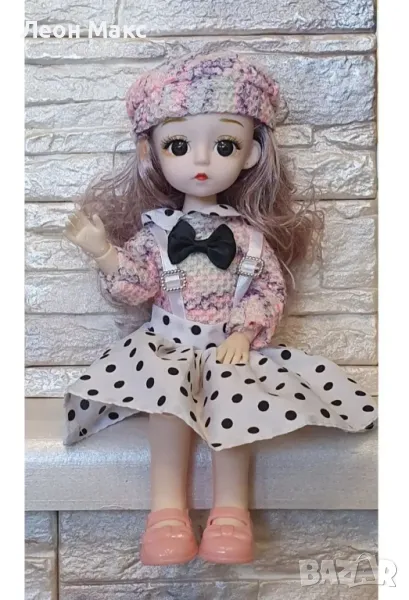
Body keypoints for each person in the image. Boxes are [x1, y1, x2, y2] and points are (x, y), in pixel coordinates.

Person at [63, 51, 377, 565]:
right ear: (151, 153)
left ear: (250, 153)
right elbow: (136, 287)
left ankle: (231, 513)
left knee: (236, 410)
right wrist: (104, 253)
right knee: (167, 411)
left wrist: (244, 332)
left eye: (225, 145)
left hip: (227, 349)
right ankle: (166, 513)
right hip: (167, 346)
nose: (202, 161)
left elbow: (266, 291)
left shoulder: (249, 239)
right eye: (179, 145)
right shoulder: (155, 235)